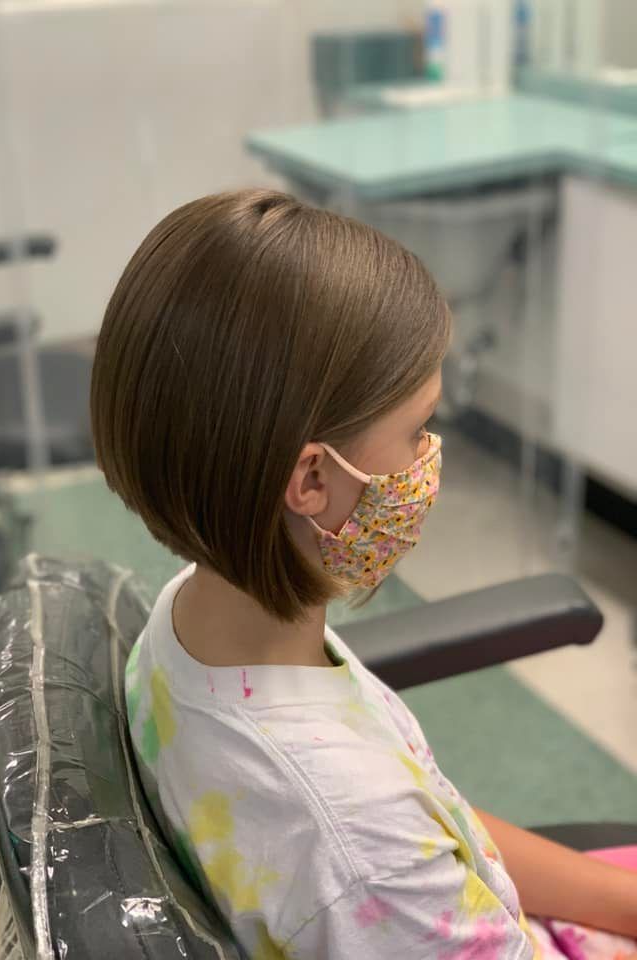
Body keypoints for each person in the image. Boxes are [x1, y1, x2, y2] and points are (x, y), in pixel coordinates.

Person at [91, 190, 637, 959]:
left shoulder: (194, 616)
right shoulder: (356, 852)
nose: (428, 458)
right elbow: (384, 850)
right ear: (312, 481)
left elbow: (434, 823)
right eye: (417, 431)